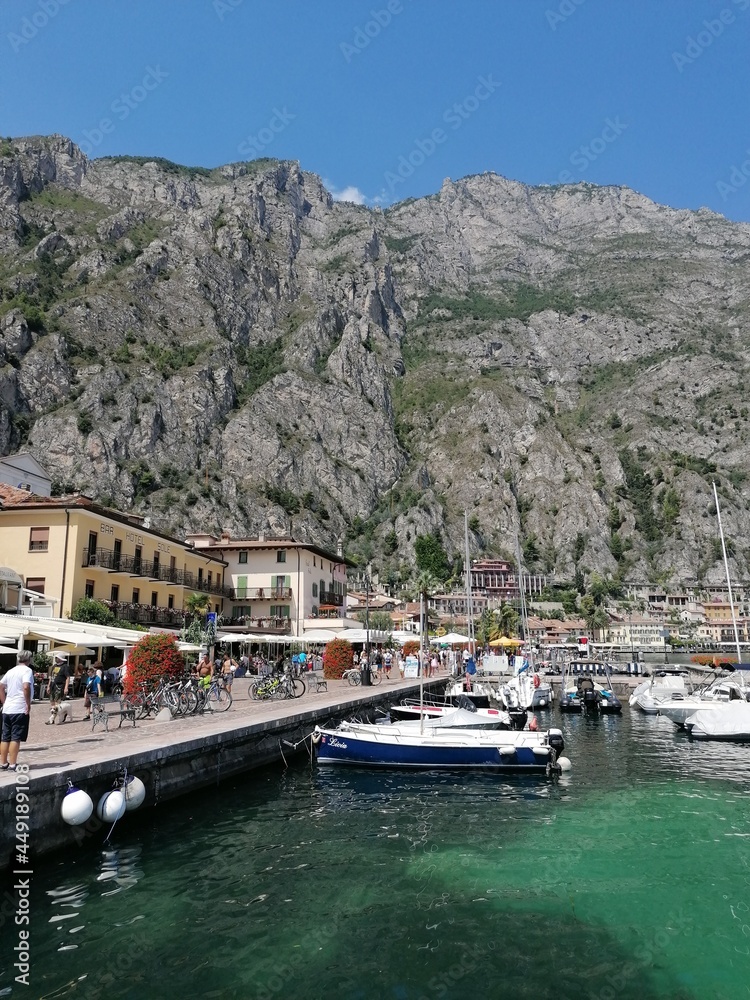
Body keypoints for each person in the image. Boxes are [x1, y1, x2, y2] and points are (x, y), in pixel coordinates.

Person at [0, 650, 34, 771]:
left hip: (8, 708)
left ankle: (3, 762)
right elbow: (26, 686)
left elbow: (1, 685)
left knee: (5, 736)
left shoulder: (11, 671)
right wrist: (27, 703)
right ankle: (13, 764)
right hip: (19, 708)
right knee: (16, 737)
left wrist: (4, 702)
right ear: (29, 659)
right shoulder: (27, 670)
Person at [47, 652, 71, 725]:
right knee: (52, 702)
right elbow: (51, 677)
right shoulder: (54, 666)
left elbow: (67, 677)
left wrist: (66, 687)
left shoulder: (65, 667)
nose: (56, 659)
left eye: (57, 658)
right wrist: (48, 685)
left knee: (58, 703)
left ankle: (51, 719)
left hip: (60, 686)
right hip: (53, 686)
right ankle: (57, 716)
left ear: (60, 659)